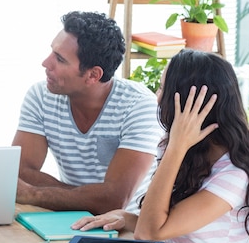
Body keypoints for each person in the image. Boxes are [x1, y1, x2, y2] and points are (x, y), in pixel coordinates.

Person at [73, 49, 249, 243]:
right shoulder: (186, 151)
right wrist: (126, 217)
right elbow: (164, 223)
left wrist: (176, 147)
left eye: (163, 89)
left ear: (185, 103)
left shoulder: (234, 174)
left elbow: (150, 233)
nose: (156, 97)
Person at [13, 11, 162, 214]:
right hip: (67, 217)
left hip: (125, 226)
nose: (46, 64)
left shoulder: (139, 106)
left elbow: (115, 200)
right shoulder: (41, 95)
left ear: (93, 75)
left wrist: (34, 194)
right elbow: (19, 172)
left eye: (60, 59)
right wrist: (90, 197)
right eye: (51, 52)